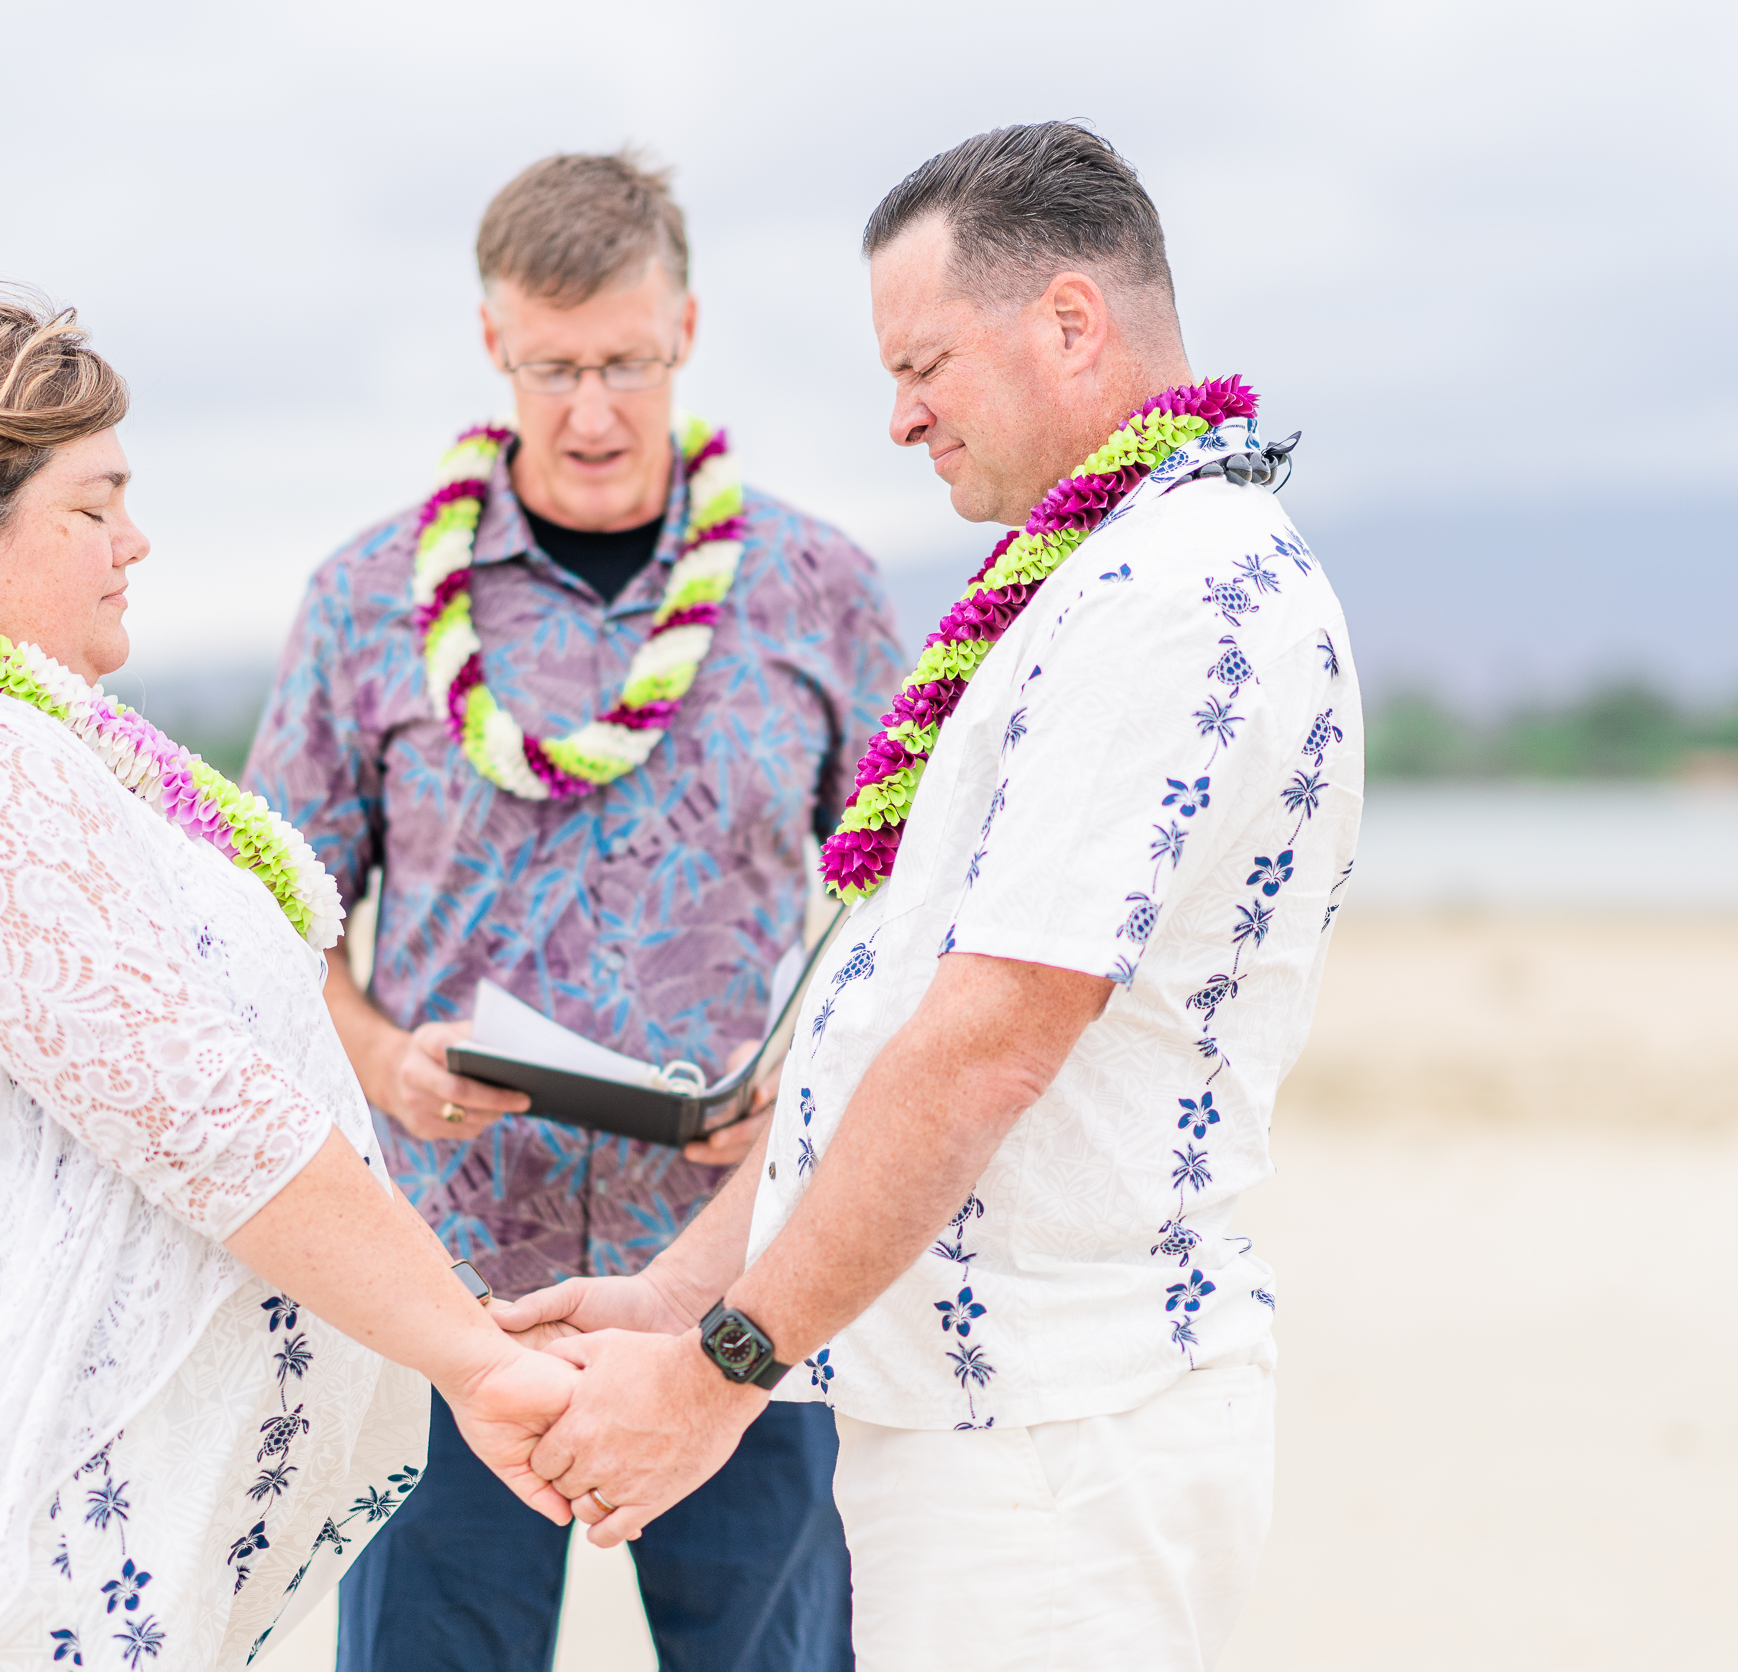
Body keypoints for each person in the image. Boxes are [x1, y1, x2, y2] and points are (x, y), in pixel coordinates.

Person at [499, 123, 1363, 1670]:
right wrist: (675, 1294)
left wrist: (714, 1378)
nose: (895, 418)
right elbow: (884, 1011)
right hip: (982, 1420)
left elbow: (987, 1045)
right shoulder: (1096, 578)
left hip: (1055, 1437)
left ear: (1071, 322)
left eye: (922, 366)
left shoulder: (1171, 599)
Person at [0, 292, 580, 1672]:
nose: (134, 542)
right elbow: (209, 1120)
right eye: (94, 508)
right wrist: (480, 1361)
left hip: (7, 1501)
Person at [240, 152, 900, 1672]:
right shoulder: (363, 601)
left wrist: (798, 1081)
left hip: (738, 1290)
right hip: (450, 1285)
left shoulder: (817, 590)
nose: (592, 410)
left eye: (624, 362)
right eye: (554, 368)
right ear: (493, 347)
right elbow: (274, 931)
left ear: (685, 328)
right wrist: (380, 1055)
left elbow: (892, 916)